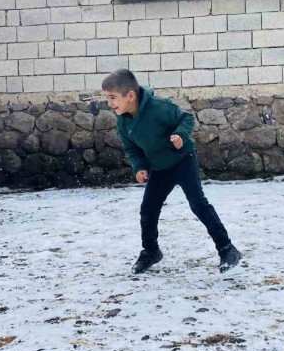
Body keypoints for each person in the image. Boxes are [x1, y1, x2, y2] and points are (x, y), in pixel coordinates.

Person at [101, 69, 242, 274]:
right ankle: (151, 252)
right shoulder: (123, 120)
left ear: (130, 95)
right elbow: (131, 148)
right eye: (107, 98)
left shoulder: (159, 107)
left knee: (198, 204)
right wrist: (139, 167)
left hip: (183, 160)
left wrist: (180, 135)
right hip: (159, 168)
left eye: (112, 98)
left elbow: (186, 119)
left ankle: (227, 249)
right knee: (148, 209)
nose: (110, 103)